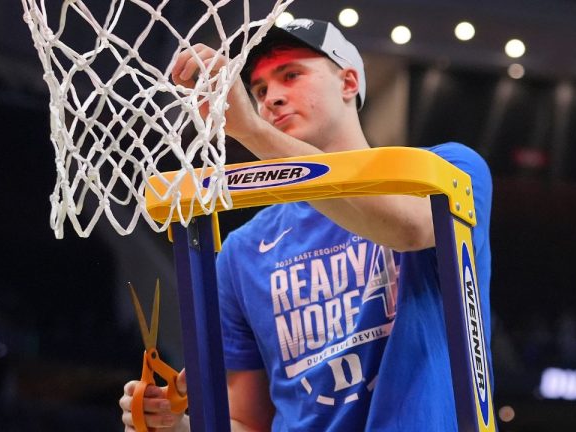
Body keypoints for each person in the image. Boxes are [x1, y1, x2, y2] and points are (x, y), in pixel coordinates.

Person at [120, 18, 493, 431]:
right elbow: (246, 420)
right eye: (259, 91)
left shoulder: (444, 168)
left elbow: (409, 230)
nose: (270, 99)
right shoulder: (242, 250)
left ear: (349, 82)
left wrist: (252, 131)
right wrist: (176, 426)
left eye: (290, 75)